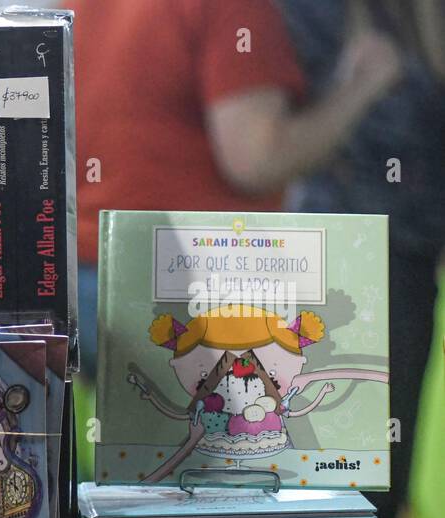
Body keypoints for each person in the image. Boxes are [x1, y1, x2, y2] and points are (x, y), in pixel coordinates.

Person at [71, 0, 403, 380]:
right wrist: (362, 85)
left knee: (132, 436)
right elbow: (256, 162)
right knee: (242, 432)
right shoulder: (233, 6)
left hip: (85, 276)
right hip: (182, 285)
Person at [276, 0, 445, 518]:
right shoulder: (314, 13)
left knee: (383, 472)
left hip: (407, 254)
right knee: (337, 475)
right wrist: (364, 85)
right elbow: (280, 142)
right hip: (338, 253)